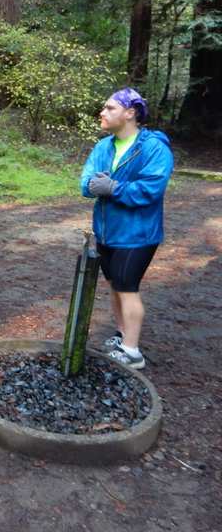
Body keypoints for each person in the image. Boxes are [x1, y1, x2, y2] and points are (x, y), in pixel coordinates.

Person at [81, 87, 173, 370]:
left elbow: (151, 189)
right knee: (114, 286)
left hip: (138, 234)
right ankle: (123, 337)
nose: (103, 112)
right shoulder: (103, 147)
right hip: (107, 231)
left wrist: (114, 187)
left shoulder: (153, 148)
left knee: (127, 287)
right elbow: (86, 180)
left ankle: (132, 352)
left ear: (130, 113)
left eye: (110, 108)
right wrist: (92, 185)